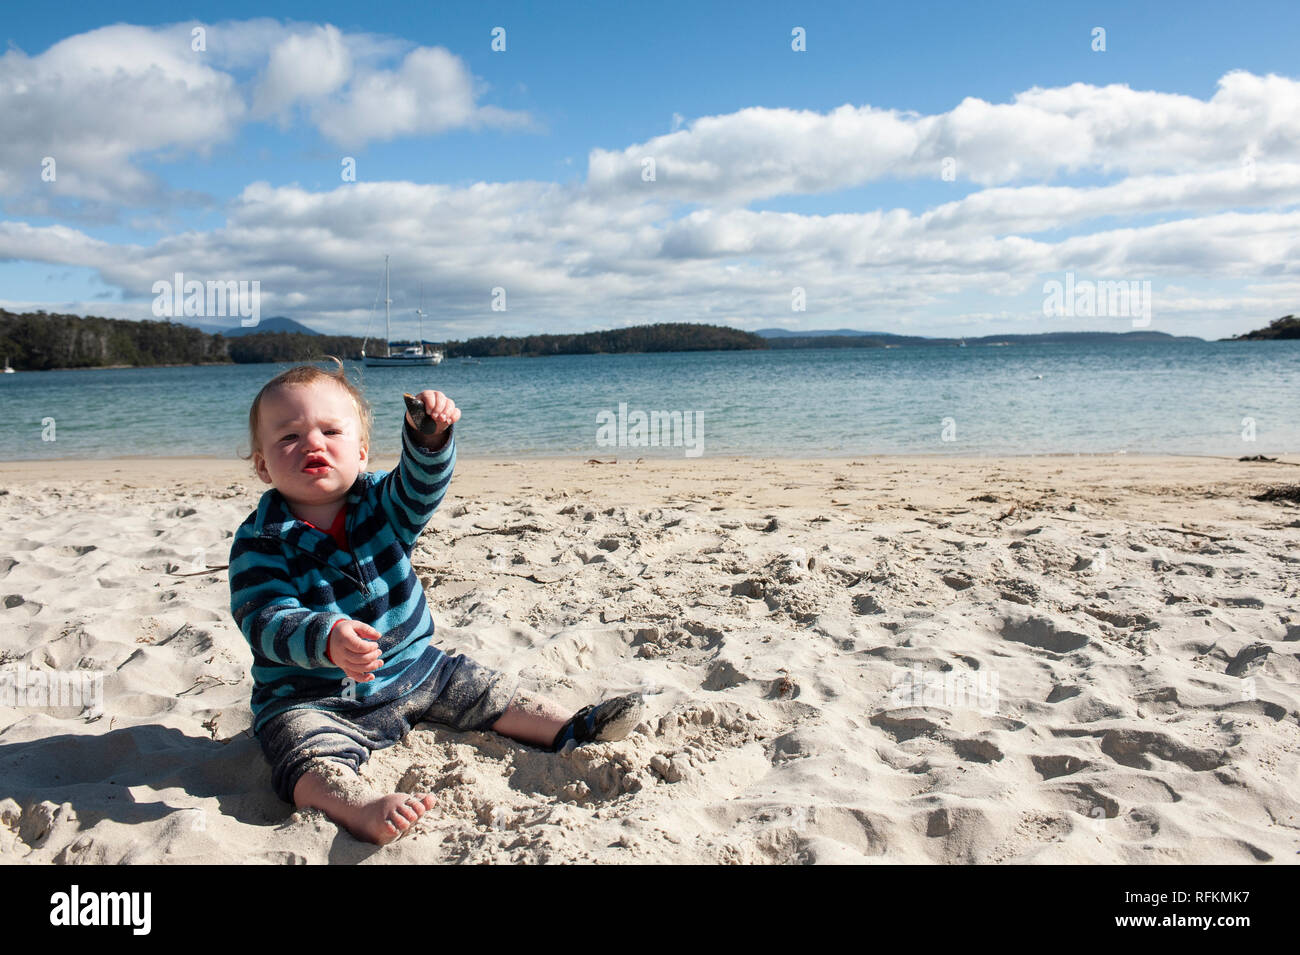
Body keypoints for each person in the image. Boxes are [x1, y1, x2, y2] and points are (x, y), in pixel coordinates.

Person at [228, 357, 642, 844]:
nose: (312, 444)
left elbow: (420, 487)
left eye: (329, 431)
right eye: (288, 437)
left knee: (483, 688)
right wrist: (328, 636)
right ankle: (356, 805)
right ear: (262, 465)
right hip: (312, 697)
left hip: (412, 669)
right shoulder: (260, 542)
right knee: (300, 751)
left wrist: (427, 438)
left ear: (361, 452)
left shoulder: (383, 506)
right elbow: (264, 617)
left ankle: (571, 727)